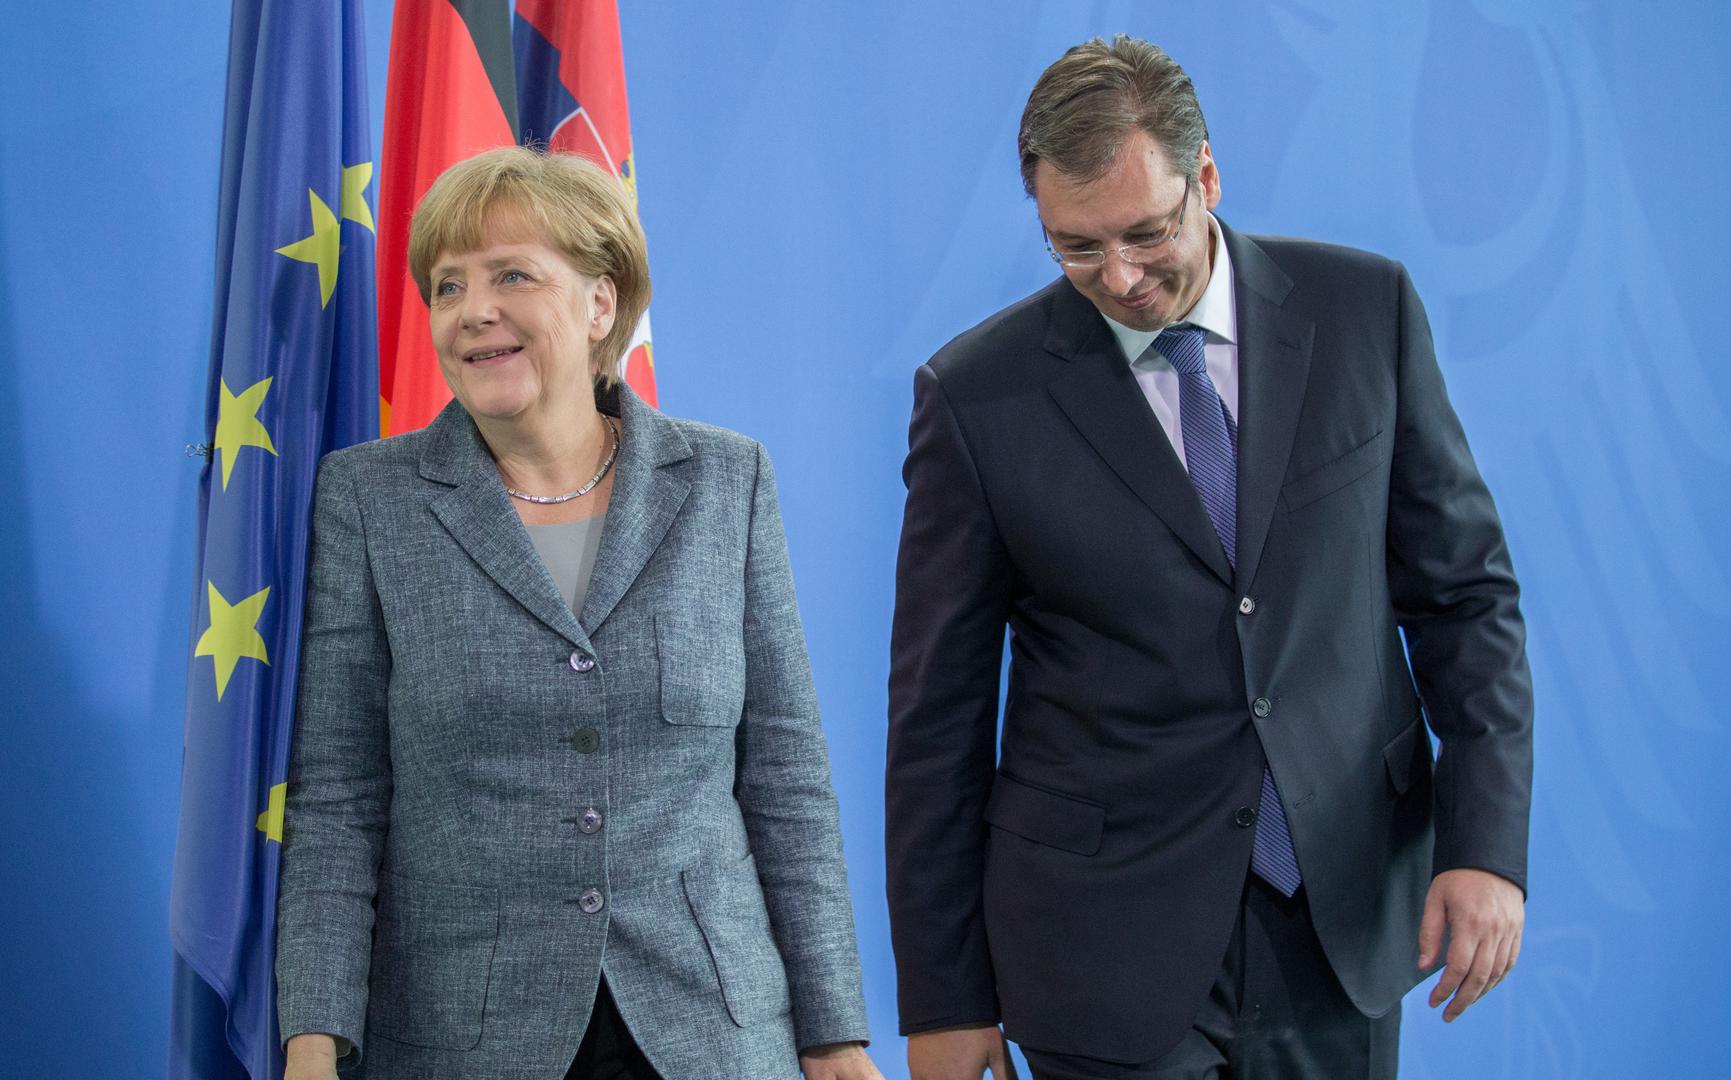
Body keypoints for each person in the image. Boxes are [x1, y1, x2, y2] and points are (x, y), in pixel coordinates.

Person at [885, 35, 1533, 1080]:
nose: (1120, 277)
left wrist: (1485, 846)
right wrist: (945, 998)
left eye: (1146, 233)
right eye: (1075, 247)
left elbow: (1465, 601)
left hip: (1343, 918)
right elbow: (936, 723)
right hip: (1098, 951)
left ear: (1208, 178)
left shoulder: (1364, 314)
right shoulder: (975, 397)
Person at [276, 146, 882, 1080]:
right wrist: (313, 1039)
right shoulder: (369, 499)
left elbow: (785, 778)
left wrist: (834, 1033)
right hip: (462, 1041)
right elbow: (339, 796)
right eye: (447, 286)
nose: (473, 310)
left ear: (601, 304)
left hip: (712, 1036)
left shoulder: (726, 482)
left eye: (512, 275)